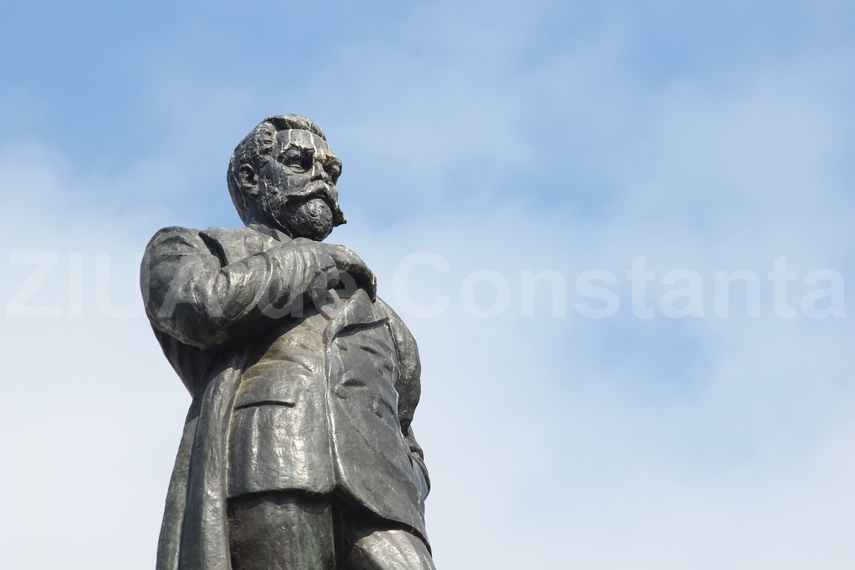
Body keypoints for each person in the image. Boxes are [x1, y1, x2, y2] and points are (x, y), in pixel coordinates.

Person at [141, 115, 435, 570]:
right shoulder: (192, 247)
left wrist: (408, 477)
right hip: (270, 466)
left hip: (386, 495)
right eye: (299, 161)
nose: (322, 178)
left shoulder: (381, 312)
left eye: (331, 170)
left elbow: (406, 424)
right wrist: (318, 258)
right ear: (250, 178)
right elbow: (203, 308)